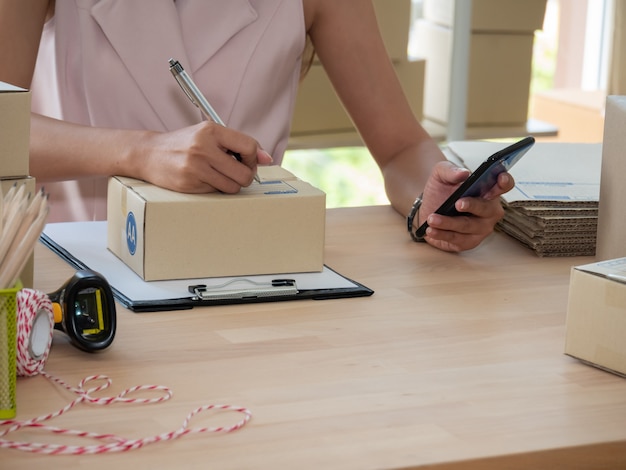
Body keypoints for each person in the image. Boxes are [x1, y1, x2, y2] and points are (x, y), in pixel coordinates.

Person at [0, 0, 515, 253]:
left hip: (252, 268)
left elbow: (403, 148)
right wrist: (140, 153)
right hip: (76, 273)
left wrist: (438, 196)